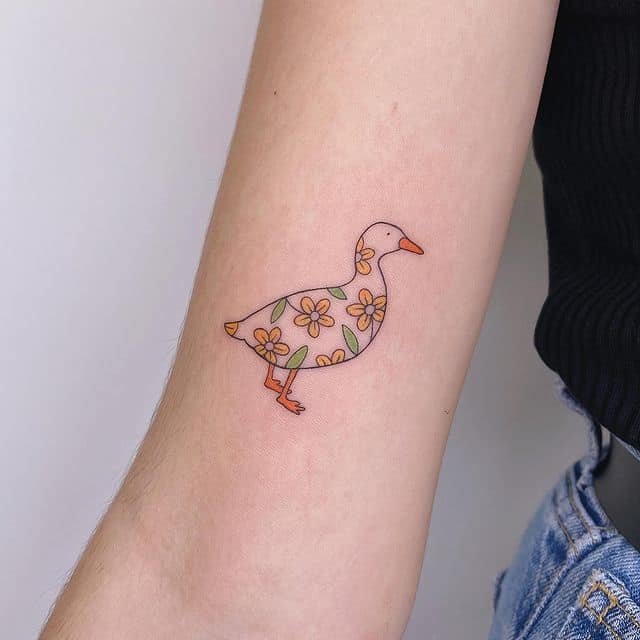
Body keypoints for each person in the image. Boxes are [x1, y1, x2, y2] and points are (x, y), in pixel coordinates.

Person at [38, 1, 640, 639]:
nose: (400, 248)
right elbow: (242, 567)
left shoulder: (359, 302)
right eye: (392, 243)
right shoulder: (341, 305)